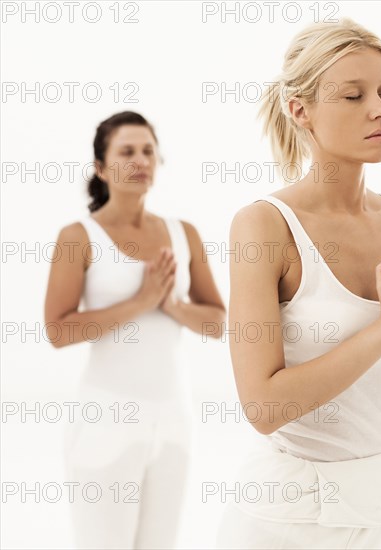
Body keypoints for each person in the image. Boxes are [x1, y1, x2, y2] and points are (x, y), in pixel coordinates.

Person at [216, 18, 381, 549]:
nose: (379, 108)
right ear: (301, 110)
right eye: (353, 95)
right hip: (286, 523)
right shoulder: (265, 225)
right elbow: (263, 408)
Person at [44, 111, 226, 549]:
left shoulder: (185, 235)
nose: (141, 159)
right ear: (102, 168)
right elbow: (58, 330)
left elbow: (219, 322)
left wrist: (171, 305)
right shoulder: (78, 236)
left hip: (174, 423)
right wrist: (139, 303)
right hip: (105, 423)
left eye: (148, 150)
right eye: (126, 151)